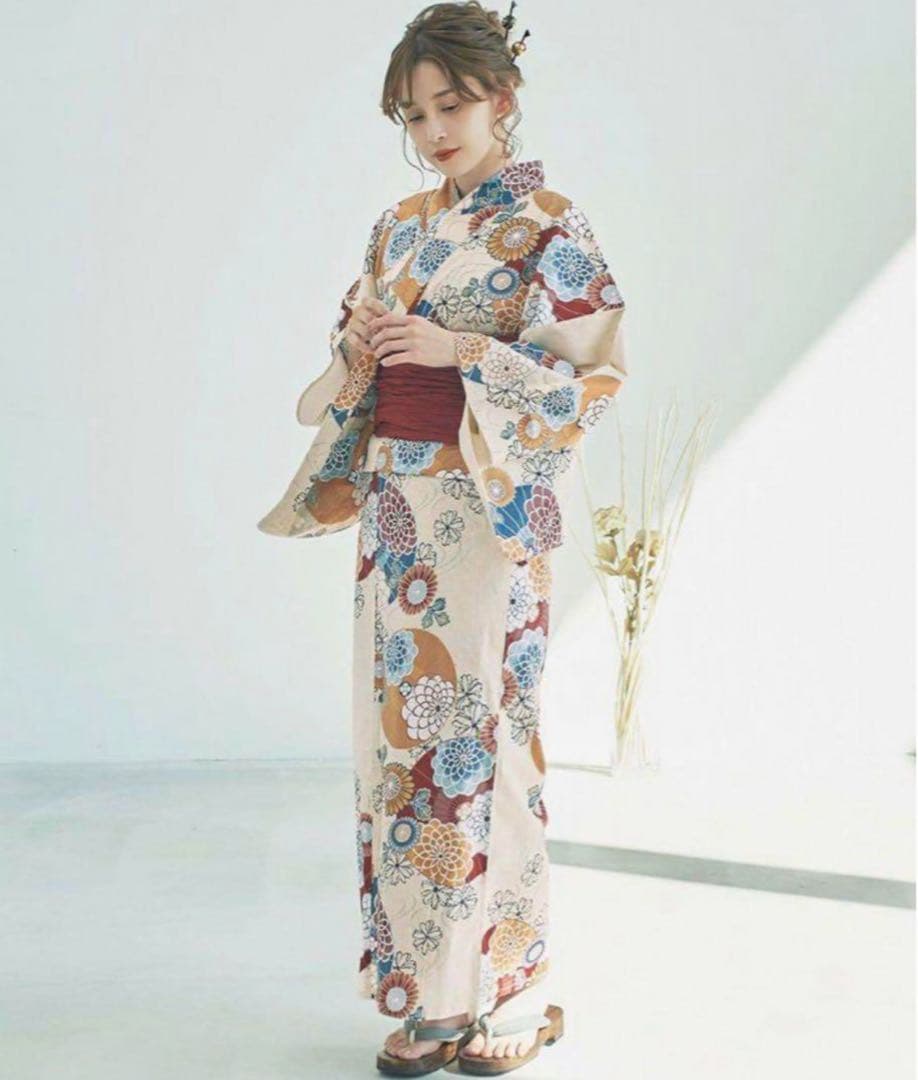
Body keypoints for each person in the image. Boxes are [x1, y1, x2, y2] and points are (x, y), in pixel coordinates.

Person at [257, 2, 628, 1074]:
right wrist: (364, 346)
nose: (433, 131)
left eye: (451, 105)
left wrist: (459, 349)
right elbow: (352, 373)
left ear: (502, 97)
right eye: (415, 116)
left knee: (487, 738)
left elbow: (592, 378)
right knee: (403, 751)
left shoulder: (550, 224)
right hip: (397, 509)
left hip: (483, 511)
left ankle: (509, 989)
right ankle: (434, 991)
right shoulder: (400, 227)